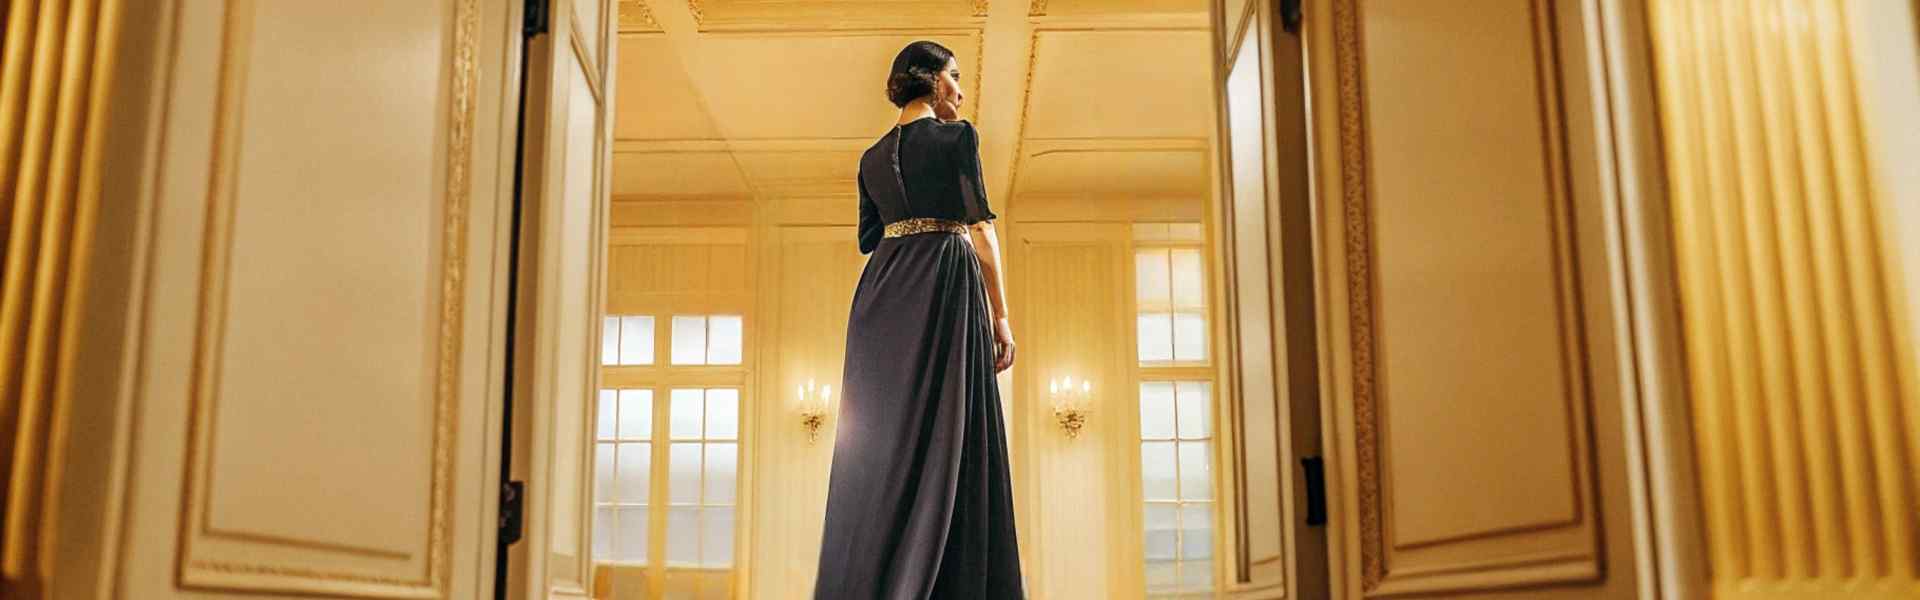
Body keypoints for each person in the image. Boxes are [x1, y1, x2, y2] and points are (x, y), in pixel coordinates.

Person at [811, 40, 1026, 600]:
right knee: (953, 427)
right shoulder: (959, 138)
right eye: (954, 76)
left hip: (881, 296)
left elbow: (869, 238)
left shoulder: (870, 158)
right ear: (930, 80)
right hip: (942, 280)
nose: (959, 89)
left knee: (884, 442)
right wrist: (1001, 315)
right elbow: (979, 228)